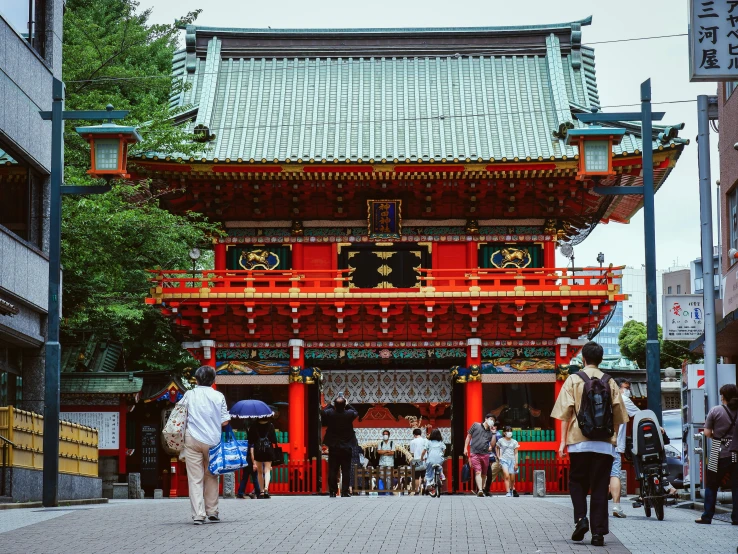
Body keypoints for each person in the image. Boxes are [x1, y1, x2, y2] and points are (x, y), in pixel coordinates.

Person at [551, 341, 628, 547]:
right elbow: (619, 416)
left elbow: (564, 415)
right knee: (600, 486)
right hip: (603, 444)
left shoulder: (574, 380)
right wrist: (613, 443)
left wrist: (561, 444)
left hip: (579, 442)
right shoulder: (610, 382)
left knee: (577, 482)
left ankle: (580, 519)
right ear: (601, 359)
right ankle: (598, 533)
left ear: (583, 358)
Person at [182, 365, 231, 525]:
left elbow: (179, 414)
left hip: (193, 438)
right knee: (211, 475)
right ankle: (212, 511)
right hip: (213, 440)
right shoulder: (219, 396)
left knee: (195, 478)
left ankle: (198, 514)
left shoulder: (189, 394)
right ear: (214, 380)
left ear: (196, 379)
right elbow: (225, 421)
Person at [696, 384, 738, 525]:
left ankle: (707, 516)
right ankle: (736, 518)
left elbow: (707, 433)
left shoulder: (715, 411)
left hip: (717, 451)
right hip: (736, 452)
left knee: (712, 485)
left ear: (723, 396)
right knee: (736, 486)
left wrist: (718, 436)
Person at [609, 377, 639, 518]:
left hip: (598, 443)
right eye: (626, 388)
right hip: (614, 443)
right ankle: (616, 506)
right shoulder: (623, 400)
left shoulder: (602, 397)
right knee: (615, 474)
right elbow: (641, 416)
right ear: (619, 387)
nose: (628, 391)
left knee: (600, 474)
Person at [321, 395, 358, 498]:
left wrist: (330, 405)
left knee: (333, 469)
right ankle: (345, 492)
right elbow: (356, 412)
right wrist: (347, 404)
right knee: (346, 470)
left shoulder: (330, 413)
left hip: (334, 446)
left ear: (335, 405)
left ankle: (332, 491)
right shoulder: (349, 414)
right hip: (346, 446)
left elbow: (323, 412)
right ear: (344, 405)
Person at [464, 413, 496, 497]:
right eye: (491, 419)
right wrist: (465, 448)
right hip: (474, 453)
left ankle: (481, 489)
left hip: (485, 454)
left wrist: (493, 433)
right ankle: (480, 490)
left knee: (484, 474)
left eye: (493, 420)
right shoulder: (475, 425)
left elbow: (492, 445)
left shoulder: (490, 432)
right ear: (486, 419)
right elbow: (468, 436)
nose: (492, 421)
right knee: (478, 471)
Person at [248, 415, 278, 499]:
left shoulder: (254, 426)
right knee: (267, 470)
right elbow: (274, 440)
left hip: (258, 450)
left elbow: (250, 440)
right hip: (268, 450)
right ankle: (266, 488)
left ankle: (261, 492)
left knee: (260, 472)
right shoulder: (271, 425)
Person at [496, 425, 520, 497]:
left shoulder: (514, 442)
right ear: (504, 433)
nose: (509, 432)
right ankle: (508, 492)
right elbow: (497, 448)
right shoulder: (500, 440)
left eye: (510, 431)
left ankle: (512, 489)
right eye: (507, 431)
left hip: (512, 460)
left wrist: (516, 463)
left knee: (512, 478)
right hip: (504, 460)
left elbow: (516, 453)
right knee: (506, 475)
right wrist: (499, 456)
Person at [483, 417, 503, 496]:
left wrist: (499, 457)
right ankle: (513, 490)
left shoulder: (497, 434)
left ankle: (484, 488)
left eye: (494, 426)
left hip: (497, 457)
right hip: (496, 457)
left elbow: (497, 447)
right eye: (492, 426)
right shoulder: (489, 433)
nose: (492, 427)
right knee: (506, 475)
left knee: (491, 474)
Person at [424, 429, 446, 495]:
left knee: (428, 471)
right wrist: (442, 454)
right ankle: (441, 474)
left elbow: (424, 451)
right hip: (439, 459)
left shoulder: (428, 442)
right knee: (439, 466)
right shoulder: (441, 442)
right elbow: (444, 450)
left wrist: (422, 457)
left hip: (430, 460)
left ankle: (428, 482)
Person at [409, 428, 428, 495]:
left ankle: (417, 490)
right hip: (424, 459)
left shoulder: (412, 441)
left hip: (416, 460)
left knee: (416, 476)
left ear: (414, 434)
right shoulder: (425, 440)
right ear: (420, 434)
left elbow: (412, 452)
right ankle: (424, 487)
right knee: (424, 475)